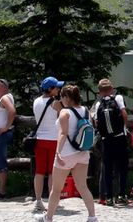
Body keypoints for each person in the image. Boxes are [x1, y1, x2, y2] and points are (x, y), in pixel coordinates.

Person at [43, 84, 98, 222]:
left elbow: (63, 133)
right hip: (82, 153)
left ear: (67, 97)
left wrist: (58, 152)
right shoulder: (85, 110)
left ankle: (48, 218)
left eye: (61, 96)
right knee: (83, 187)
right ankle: (92, 216)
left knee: (56, 189)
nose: (60, 99)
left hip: (66, 154)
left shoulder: (65, 112)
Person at [30, 75, 65, 214]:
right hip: (53, 140)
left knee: (39, 172)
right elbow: (64, 112)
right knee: (52, 173)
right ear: (50, 89)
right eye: (56, 87)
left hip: (40, 140)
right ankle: (52, 200)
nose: (58, 89)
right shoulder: (55, 103)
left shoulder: (36, 101)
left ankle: (38, 200)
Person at [92, 78, 130, 207]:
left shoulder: (98, 104)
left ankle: (108, 197)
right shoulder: (118, 98)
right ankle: (122, 195)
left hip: (106, 140)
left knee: (107, 168)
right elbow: (124, 114)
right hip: (119, 137)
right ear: (111, 89)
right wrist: (125, 128)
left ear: (100, 91)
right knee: (122, 167)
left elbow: (96, 122)